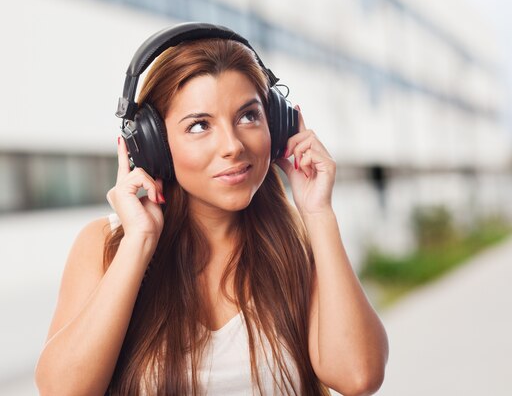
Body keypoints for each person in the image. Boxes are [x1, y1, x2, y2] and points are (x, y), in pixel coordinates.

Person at [35, 24, 388, 396]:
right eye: (200, 125)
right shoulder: (106, 246)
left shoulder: (299, 244)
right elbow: (62, 391)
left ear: (278, 124)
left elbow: (358, 376)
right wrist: (139, 243)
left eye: (248, 116)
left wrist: (318, 214)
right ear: (153, 145)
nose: (233, 146)